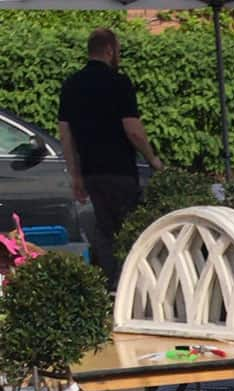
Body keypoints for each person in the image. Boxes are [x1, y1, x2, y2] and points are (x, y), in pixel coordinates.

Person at [57, 28, 163, 289]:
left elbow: (66, 135)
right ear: (109, 50)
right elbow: (133, 130)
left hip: (92, 171)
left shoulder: (71, 84)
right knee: (129, 229)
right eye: (118, 50)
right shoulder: (119, 83)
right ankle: (132, 288)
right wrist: (153, 160)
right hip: (119, 170)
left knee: (105, 230)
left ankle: (109, 286)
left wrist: (76, 176)